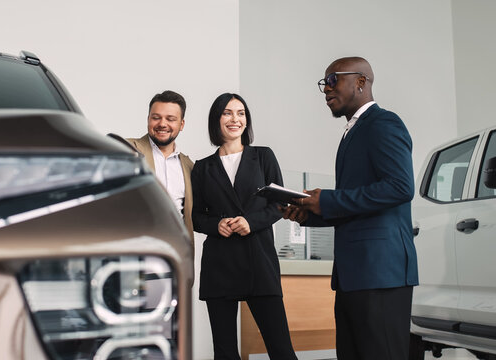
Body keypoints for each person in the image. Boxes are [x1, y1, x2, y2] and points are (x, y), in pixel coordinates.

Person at [282, 57, 418, 359]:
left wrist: (326, 199)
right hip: (354, 275)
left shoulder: (384, 123)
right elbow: (359, 205)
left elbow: (400, 187)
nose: (326, 89)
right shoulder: (351, 133)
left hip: (381, 273)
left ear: (360, 82)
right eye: (323, 83)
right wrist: (308, 215)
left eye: (333, 80)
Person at [191, 93, 297, 360]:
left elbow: (281, 205)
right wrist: (217, 225)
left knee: (281, 350)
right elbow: (195, 216)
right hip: (220, 266)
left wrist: (251, 221)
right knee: (225, 353)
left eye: (241, 113)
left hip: (258, 261)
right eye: (227, 113)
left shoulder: (263, 157)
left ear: (246, 120)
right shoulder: (202, 168)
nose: (234, 119)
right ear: (217, 119)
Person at [127, 90, 194, 241]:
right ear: (148, 119)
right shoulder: (126, 148)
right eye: (156, 118)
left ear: (181, 124)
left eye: (170, 119)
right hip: (135, 246)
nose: (162, 124)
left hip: (175, 250)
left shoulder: (189, 166)